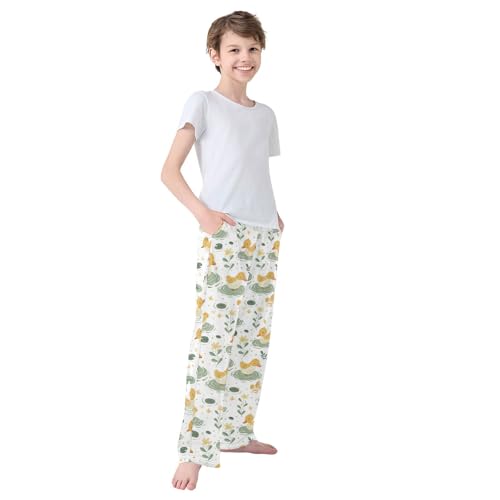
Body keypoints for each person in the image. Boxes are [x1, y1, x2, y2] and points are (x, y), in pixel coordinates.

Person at [161, 10, 284, 491]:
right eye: (234, 49)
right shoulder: (203, 102)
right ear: (215, 55)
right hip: (225, 235)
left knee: (251, 341)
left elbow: (251, 169)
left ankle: (234, 433)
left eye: (252, 48)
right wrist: (204, 214)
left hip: (264, 234)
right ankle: (194, 451)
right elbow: (169, 171)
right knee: (214, 340)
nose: (244, 57)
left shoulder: (266, 114)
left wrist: (273, 215)